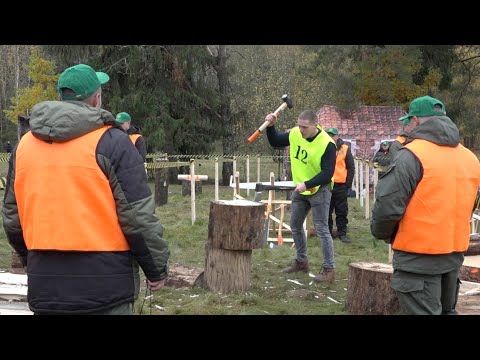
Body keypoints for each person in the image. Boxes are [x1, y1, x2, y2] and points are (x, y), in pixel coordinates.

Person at [2, 64, 169, 315]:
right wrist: (156, 269)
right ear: (96, 98)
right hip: (106, 289)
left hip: (46, 285)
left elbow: (13, 218)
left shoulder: (24, 146)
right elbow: (137, 217)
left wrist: (34, 262)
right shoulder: (112, 142)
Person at [371, 95, 480, 315]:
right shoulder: (470, 158)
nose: (406, 127)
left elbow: (387, 206)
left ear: (417, 120)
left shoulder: (411, 156)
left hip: (417, 259)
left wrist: (382, 233)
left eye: (408, 121)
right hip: (453, 256)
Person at [265, 110, 336, 282]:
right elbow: (275, 142)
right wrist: (271, 127)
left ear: (315, 125)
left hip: (320, 189)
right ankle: (301, 261)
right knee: (295, 225)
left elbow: (327, 173)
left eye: (305, 127)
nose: (301, 130)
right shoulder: (295, 134)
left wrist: (307, 184)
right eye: (299, 125)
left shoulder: (327, 143)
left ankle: (329, 269)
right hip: (301, 190)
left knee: (321, 229)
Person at [325, 128, 354, 243]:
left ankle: (342, 233)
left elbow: (351, 167)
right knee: (327, 210)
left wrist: (348, 184)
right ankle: (328, 233)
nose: (330, 137)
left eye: (332, 135)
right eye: (329, 135)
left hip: (341, 185)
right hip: (327, 185)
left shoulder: (345, 149)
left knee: (341, 211)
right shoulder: (324, 147)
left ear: (337, 136)